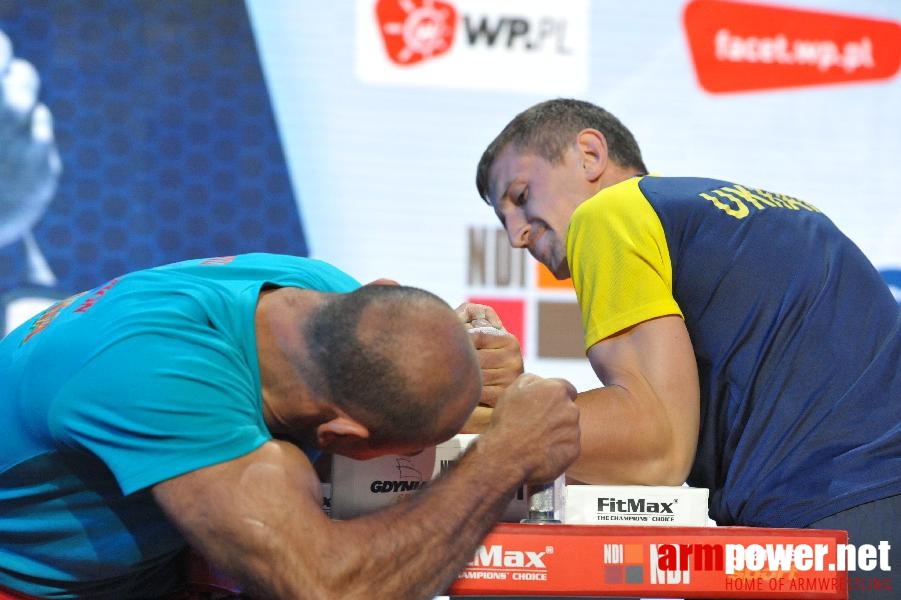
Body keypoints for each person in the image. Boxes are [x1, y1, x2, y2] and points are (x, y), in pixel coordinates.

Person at [474, 98, 900, 595]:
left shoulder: (608, 213)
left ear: (589, 154)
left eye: (521, 195)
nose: (517, 234)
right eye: (503, 219)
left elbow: (656, 450)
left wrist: (484, 409)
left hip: (824, 531)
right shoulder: (780, 212)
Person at [0, 252, 581, 599]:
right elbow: (326, 589)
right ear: (339, 439)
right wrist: (505, 458)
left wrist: (453, 353)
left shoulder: (318, 289)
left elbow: (397, 350)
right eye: (412, 454)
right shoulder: (162, 380)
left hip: (153, 569)